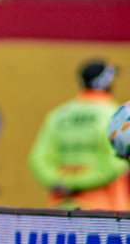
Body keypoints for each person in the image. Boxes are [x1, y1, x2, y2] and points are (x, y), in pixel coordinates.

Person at [28, 60, 129, 211]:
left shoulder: (59, 115)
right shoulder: (117, 116)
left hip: (61, 208)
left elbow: (38, 158)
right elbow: (116, 164)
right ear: (109, 82)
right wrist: (79, 182)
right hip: (105, 211)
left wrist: (63, 182)